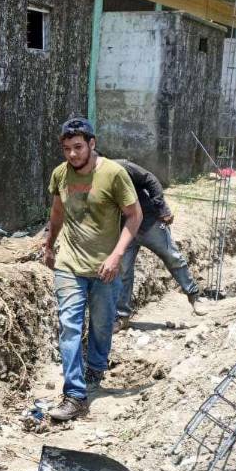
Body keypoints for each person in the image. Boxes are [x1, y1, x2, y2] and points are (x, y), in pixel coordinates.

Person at [41, 118, 142, 421]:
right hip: (69, 264)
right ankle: (74, 394)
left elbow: (134, 216)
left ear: (92, 144)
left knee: (101, 324)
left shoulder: (113, 174)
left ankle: (95, 369)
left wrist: (116, 256)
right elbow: (57, 212)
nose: (72, 154)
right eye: (67, 149)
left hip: (105, 268)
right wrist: (49, 244)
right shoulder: (60, 175)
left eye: (78, 147)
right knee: (69, 326)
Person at [112, 158, 204, 329]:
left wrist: (162, 208)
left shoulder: (122, 167)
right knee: (123, 271)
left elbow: (150, 179)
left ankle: (194, 296)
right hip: (124, 230)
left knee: (172, 257)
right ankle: (122, 317)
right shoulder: (90, 178)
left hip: (149, 222)